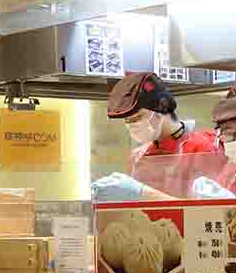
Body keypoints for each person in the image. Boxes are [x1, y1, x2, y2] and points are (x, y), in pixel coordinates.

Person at [92, 72, 220, 200]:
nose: (132, 125)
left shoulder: (203, 149)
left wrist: (143, 193)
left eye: (137, 117)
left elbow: (210, 209)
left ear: (161, 109)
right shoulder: (138, 157)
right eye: (127, 120)